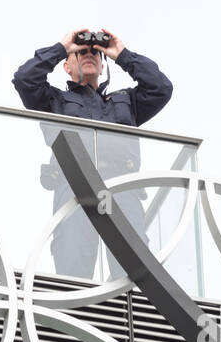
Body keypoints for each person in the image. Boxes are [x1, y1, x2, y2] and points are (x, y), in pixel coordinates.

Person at [12, 27, 174, 280]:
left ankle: (127, 315)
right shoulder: (54, 102)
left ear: (102, 66)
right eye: (81, 52)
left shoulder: (126, 101)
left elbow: (161, 88)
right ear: (66, 67)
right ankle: (76, 315)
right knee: (73, 258)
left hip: (122, 186)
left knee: (134, 265)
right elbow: (24, 80)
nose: (89, 55)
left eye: (95, 53)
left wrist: (122, 54)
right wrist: (62, 49)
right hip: (75, 184)